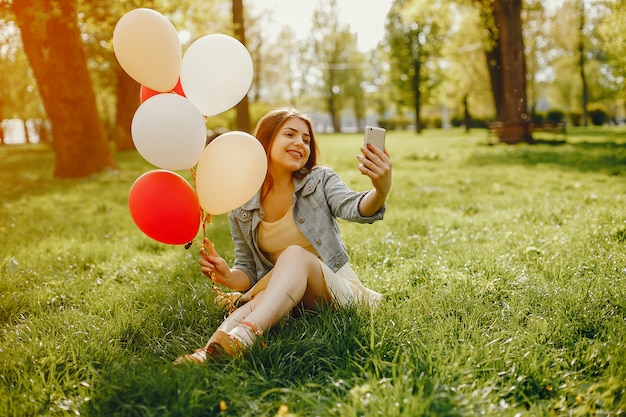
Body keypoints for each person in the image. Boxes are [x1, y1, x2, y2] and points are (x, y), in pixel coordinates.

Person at [175, 107, 392, 364]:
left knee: (294, 255)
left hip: (335, 292)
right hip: (285, 295)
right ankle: (206, 353)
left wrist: (381, 190)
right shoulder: (242, 207)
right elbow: (248, 271)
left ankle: (247, 333)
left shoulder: (320, 180)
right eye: (290, 134)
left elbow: (353, 207)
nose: (300, 143)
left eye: (306, 139)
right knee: (257, 298)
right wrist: (228, 276)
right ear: (266, 142)